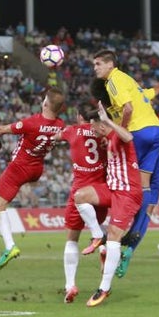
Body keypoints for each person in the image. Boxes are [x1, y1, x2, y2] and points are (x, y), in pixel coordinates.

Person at [92, 50, 159, 278]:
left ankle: (117, 231)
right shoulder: (132, 84)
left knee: (132, 190)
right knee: (147, 193)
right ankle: (131, 245)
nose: (95, 68)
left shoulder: (113, 83)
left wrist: (123, 131)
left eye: (98, 64)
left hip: (138, 134)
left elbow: (128, 110)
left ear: (111, 64)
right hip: (156, 131)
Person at [0, 87, 66, 270]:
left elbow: (1, 130)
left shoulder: (32, 122)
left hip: (20, 167)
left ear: (45, 103)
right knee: (1, 202)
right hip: (38, 168)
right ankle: (8, 246)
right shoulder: (60, 124)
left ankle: (10, 246)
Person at [71, 101, 144, 308]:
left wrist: (106, 120)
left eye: (93, 127)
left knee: (114, 236)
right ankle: (96, 234)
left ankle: (104, 287)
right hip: (112, 189)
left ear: (101, 125)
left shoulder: (119, 136)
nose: (91, 132)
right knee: (80, 196)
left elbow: (128, 137)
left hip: (127, 193)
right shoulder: (109, 138)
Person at [56, 103, 109, 304]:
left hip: (80, 190)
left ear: (79, 117)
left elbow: (54, 137)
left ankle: (70, 285)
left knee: (72, 238)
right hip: (101, 191)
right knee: (98, 223)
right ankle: (103, 248)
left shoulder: (72, 131)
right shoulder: (104, 134)